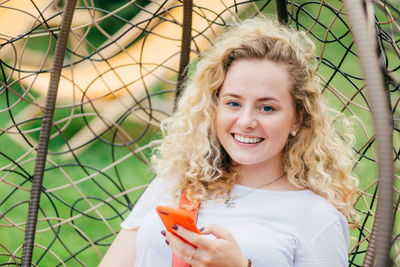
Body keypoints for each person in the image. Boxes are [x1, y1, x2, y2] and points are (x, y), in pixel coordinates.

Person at [99, 17, 359, 267]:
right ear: (214, 108)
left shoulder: (317, 218)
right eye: (233, 103)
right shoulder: (176, 183)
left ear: (297, 119)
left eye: (267, 108)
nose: (246, 121)